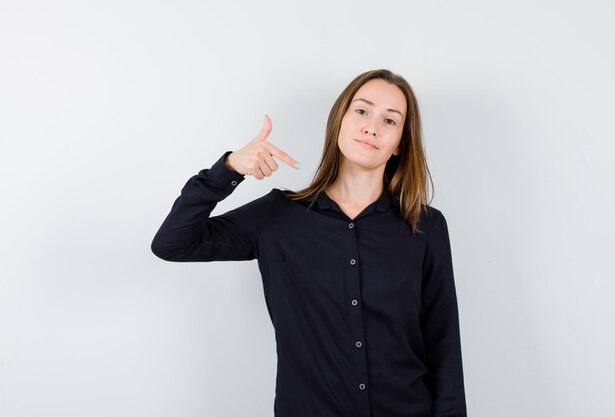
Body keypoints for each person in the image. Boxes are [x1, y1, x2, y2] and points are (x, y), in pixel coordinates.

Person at [151, 69, 467, 417]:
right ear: (339, 121)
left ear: (399, 144)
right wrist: (228, 169)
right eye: (362, 111)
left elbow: (443, 345)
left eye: (390, 120)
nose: (372, 127)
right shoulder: (277, 216)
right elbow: (172, 243)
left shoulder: (425, 226)